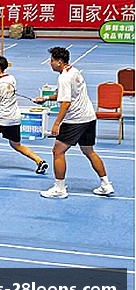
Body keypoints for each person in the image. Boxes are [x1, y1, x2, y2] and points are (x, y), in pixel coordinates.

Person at [36, 47, 113, 198]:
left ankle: (59, 189)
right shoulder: (74, 71)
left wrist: (56, 124)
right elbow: (63, 94)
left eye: (52, 60)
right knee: (89, 151)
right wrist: (45, 99)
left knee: (58, 152)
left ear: (59, 62)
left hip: (75, 120)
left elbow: (65, 103)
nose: (50, 63)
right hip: (89, 117)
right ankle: (106, 184)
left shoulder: (64, 78)